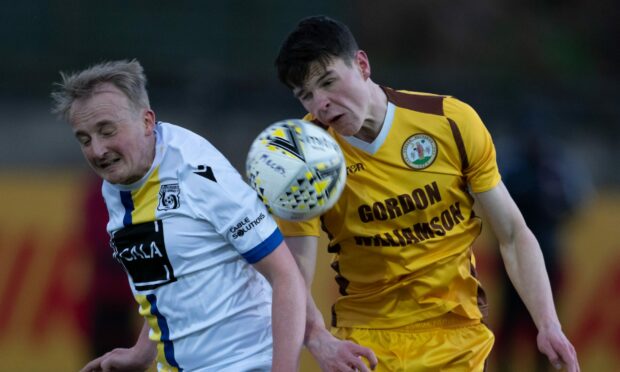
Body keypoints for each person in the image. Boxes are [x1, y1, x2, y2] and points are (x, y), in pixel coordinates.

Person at [274, 15, 579, 372]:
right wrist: (318, 338)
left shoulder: (450, 121)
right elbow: (292, 272)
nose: (320, 104)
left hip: (456, 340)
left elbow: (512, 234)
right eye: (306, 95)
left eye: (328, 82)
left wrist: (548, 324)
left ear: (361, 65)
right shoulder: (302, 157)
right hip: (366, 345)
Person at [51, 59, 306, 372]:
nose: (97, 150)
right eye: (84, 139)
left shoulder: (197, 173)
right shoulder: (118, 183)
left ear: (147, 121)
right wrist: (142, 352)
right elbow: (169, 279)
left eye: (107, 131)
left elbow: (285, 275)